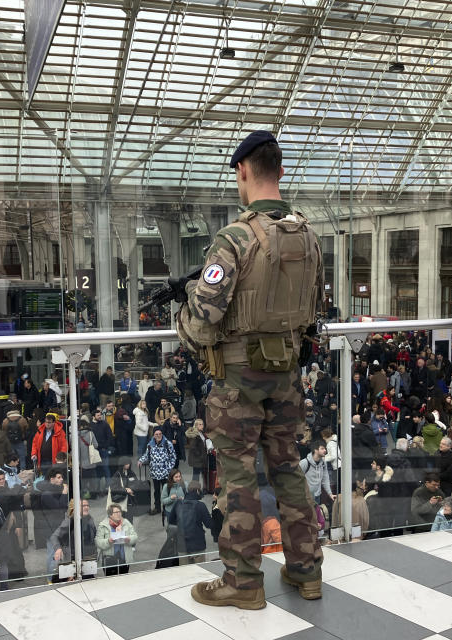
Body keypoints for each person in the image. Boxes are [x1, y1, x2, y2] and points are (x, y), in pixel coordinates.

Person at [175, 130, 324, 609]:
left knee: (238, 477)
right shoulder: (309, 234)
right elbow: (313, 313)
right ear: (279, 170)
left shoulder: (235, 238)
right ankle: (306, 570)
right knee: (287, 469)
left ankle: (243, 582)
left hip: (239, 382)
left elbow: (202, 322)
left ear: (243, 171)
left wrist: (182, 318)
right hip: (287, 376)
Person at [168, 482, 213, 564]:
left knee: (185, 573)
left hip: (182, 545)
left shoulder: (178, 504)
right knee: (200, 572)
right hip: (197, 545)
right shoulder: (201, 505)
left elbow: (171, 521)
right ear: (197, 491)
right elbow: (209, 524)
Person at [95, 504, 137, 576]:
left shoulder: (126, 522)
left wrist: (129, 539)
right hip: (109, 560)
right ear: (110, 515)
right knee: (111, 581)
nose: (119, 514)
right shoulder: (103, 525)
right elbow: (98, 541)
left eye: (120, 512)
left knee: (124, 579)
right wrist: (108, 541)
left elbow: (135, 536)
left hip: (124, 559)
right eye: (116, 512)